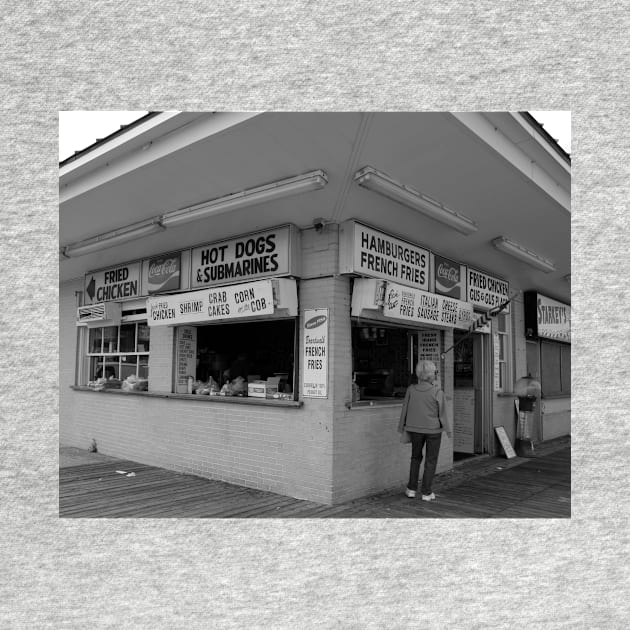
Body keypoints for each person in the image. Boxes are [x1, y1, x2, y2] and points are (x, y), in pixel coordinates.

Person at [397, 360, 453, 501]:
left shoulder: (411, 389)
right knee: (431, 461)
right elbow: (443, 414)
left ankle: (411, 489)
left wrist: (401, 427)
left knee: (415, 458)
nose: (436, 375)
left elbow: (405, 409)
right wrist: (448, 430)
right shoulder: (437, 392)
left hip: (414, 429)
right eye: (435, 372)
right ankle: (426, 492)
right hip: (433, 430)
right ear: (430, 375)